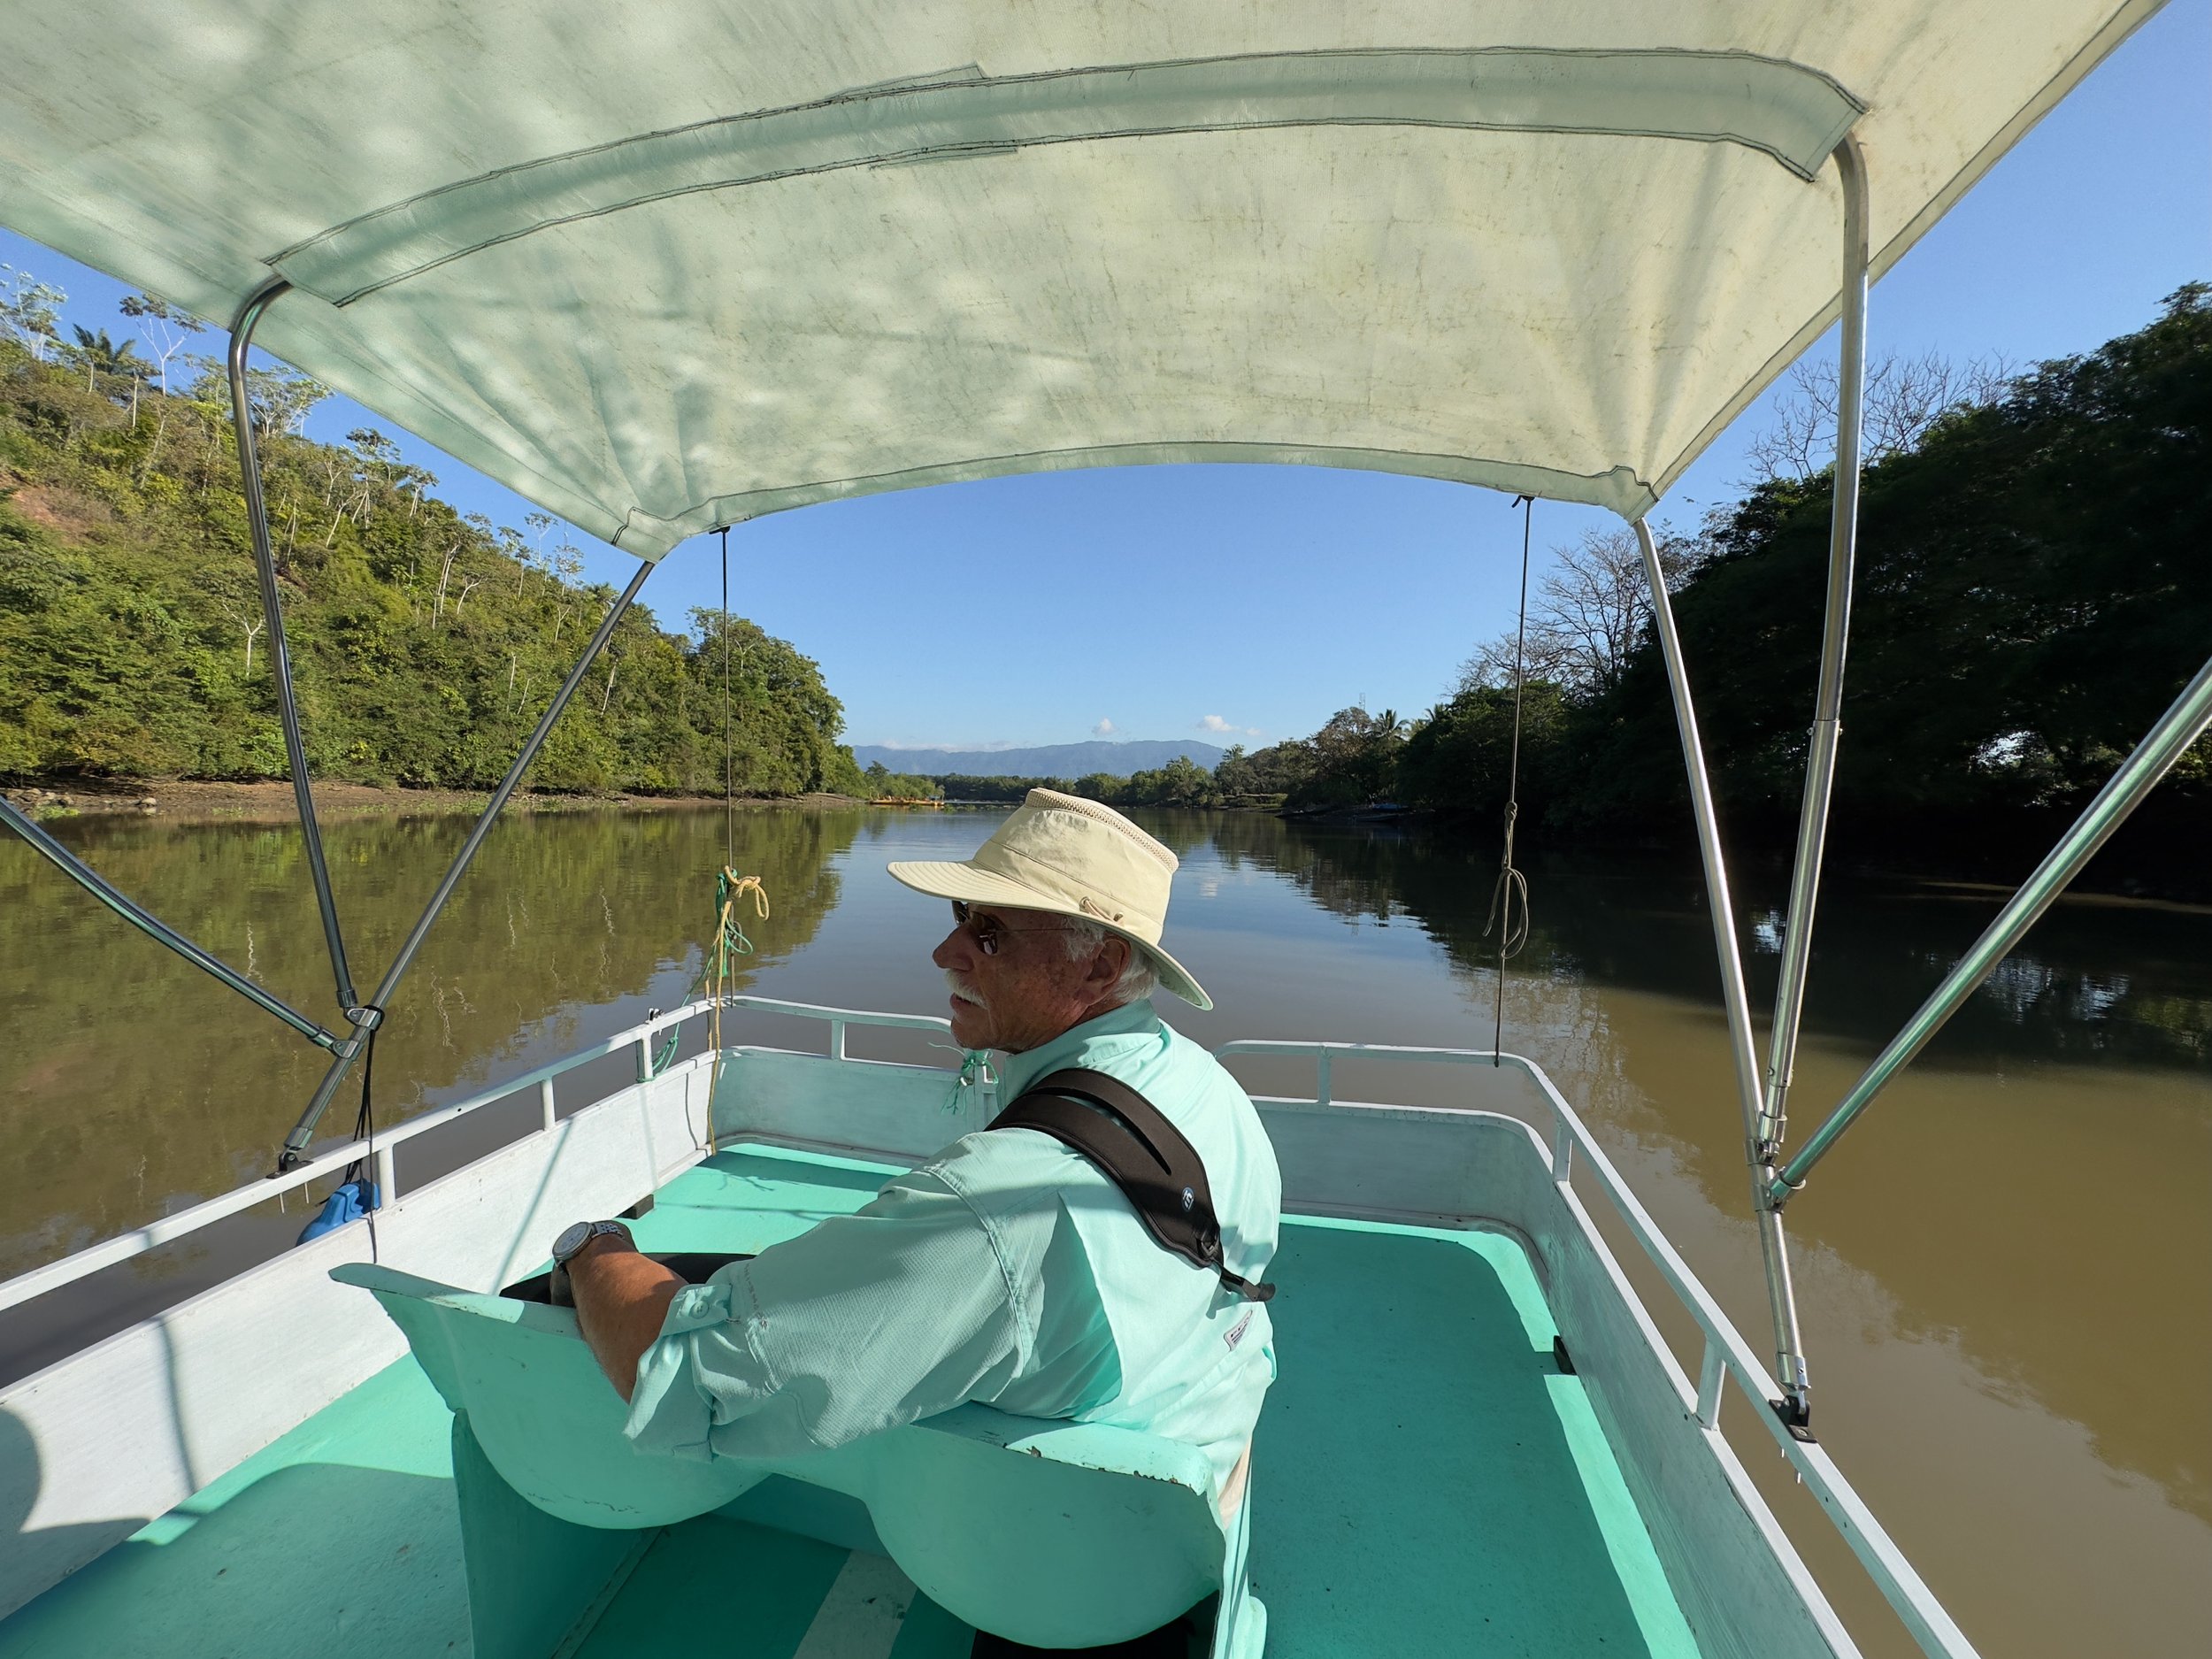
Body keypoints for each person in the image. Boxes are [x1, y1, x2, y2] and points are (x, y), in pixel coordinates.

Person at [557, 788, 1280, 1522]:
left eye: (990, 933)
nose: (945, 953)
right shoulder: (1206, 1084)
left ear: (1100, 967)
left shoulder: (992, 1207)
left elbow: (689, 1382)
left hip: (1073, 1538)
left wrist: (592, 1244)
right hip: (1205, 1441)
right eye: (960, 917)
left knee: (605, 1300)